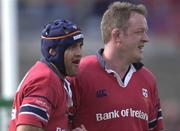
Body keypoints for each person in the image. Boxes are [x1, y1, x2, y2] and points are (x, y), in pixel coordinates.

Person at [69, 1, 164, 131]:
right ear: (117, 35)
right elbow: (57, 124)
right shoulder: (79, 73)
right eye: (139, 32)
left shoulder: (148, 80)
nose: (146, 38)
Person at [8, 19, 87, 131]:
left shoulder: (52, 77)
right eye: (72, 47)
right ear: (53, 51)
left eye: (80, 46)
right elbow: (26, 129)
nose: (79, 53)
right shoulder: (46, 80)